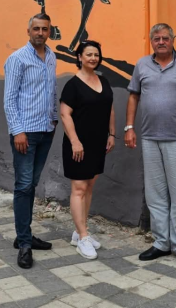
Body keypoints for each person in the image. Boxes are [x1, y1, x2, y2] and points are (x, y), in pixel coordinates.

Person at [124, 23, 176, 269]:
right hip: (150, 138)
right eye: (156, 38)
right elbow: (134, 96)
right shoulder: (142, 65)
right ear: (152, 41)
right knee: (155, 194)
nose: (161, 42)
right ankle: (161, 242)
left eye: (165, 38)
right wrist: (129, 127)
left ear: (173, 40)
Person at [3, 13, 58, 269]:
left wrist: (54, 119)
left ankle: (23, 233)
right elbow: (9, 99)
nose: (40, 33)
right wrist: (18, 131)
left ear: (49, 32)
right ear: (28, 31)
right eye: (36, 29)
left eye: (44, 29)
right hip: (25, 134)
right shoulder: (17, 59)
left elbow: (51, 92)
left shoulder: (52, 57)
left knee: (31, 184)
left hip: (46, 131)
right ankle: (24, 244)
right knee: (23, 186)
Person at [59, 40, 115, 259]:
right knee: (79, 188)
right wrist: (75, 141)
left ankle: (79, 231)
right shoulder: (72, 85)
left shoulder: (103, 81)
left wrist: (112, 134)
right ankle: (83, 237)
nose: (93, 58)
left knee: (89, 186)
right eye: (89, 54)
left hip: (98, 143)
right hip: (78, 146)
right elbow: (65, 114)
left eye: (96, 55)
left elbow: (110, 108)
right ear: (79, 57)